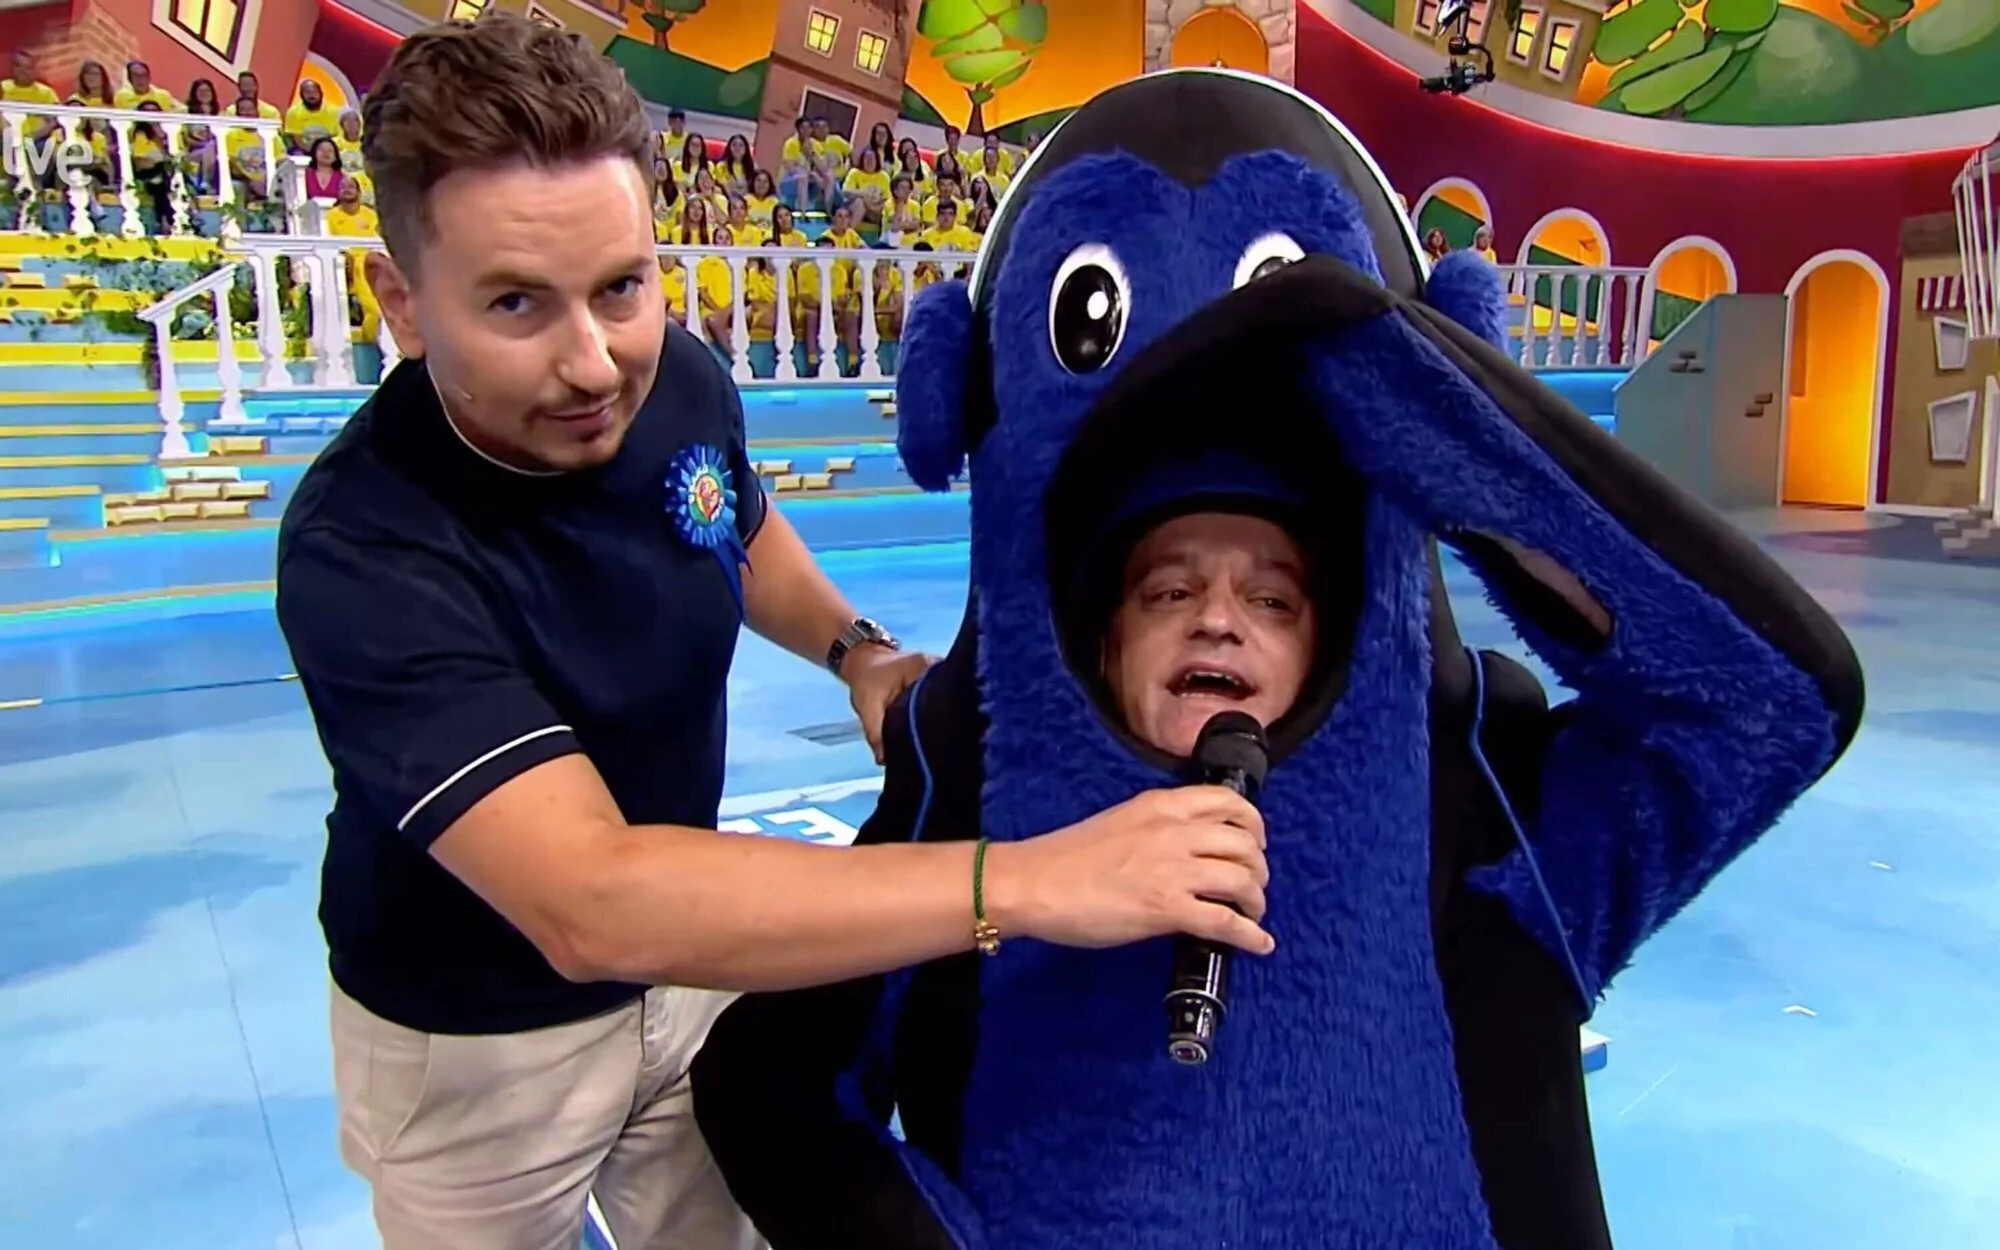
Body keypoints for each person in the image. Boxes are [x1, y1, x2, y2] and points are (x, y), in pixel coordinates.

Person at [690, 69, 1864, 1250]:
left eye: (1270, 597)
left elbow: (1773, 704)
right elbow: (765, 1078)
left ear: (1334, 618)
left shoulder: (1482, 796)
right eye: (1167, 589)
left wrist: (1412, 390)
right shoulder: (970, 789)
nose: (1217, 618)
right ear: (1103, 627)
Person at [275, 21, 1277, 1250]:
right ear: (402, 303)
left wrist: (855, 650)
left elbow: (727, 520)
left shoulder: (673, 380)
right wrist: (1028, 879)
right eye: (516, 303)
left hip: (691, 957)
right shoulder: (367, 550)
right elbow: (589, 900)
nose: (593, 364)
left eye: (621, 287)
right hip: (474, 1045)